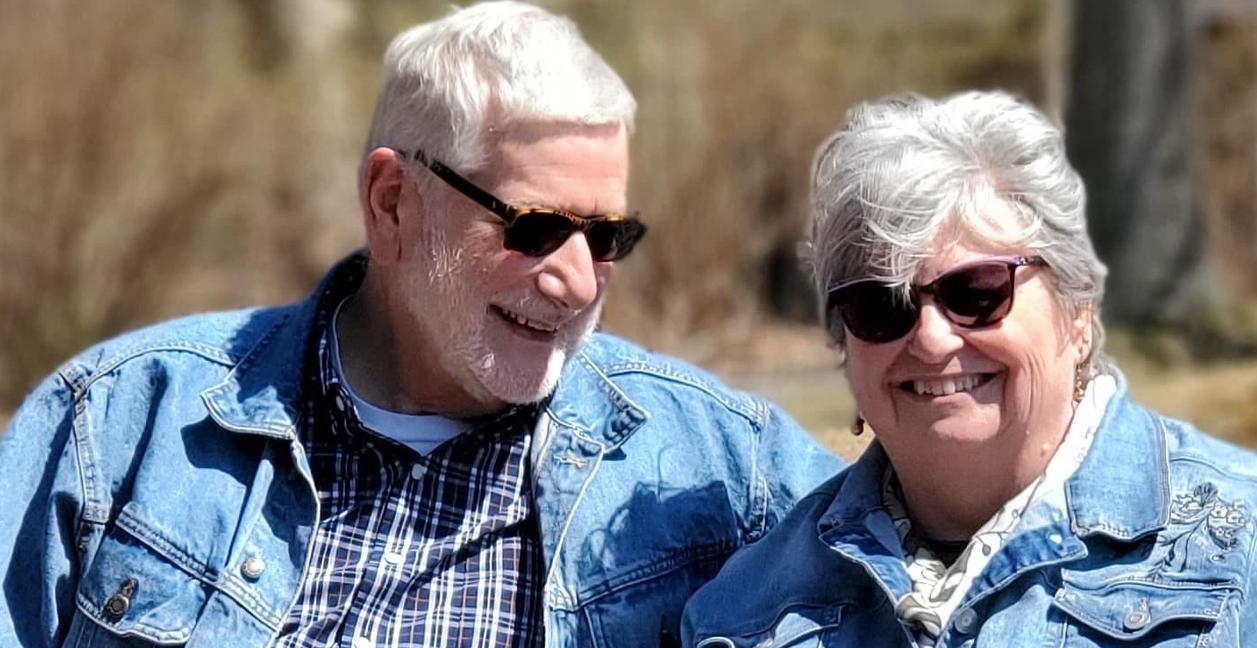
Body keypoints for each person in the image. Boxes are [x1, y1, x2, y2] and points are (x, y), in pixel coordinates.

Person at [0, 3, 841, 647]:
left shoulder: (715, 461)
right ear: (393, 203)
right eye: (535, 229)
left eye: (607, 237)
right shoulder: (117, 425)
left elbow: (912, 553)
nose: (578, 280)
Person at [682, 90, 1257, 647]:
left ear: (1078, 310)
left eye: (976, 291)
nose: (931, 339)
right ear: (845, 346)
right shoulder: (743, 615)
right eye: (880, 305)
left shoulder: (1241, 552)